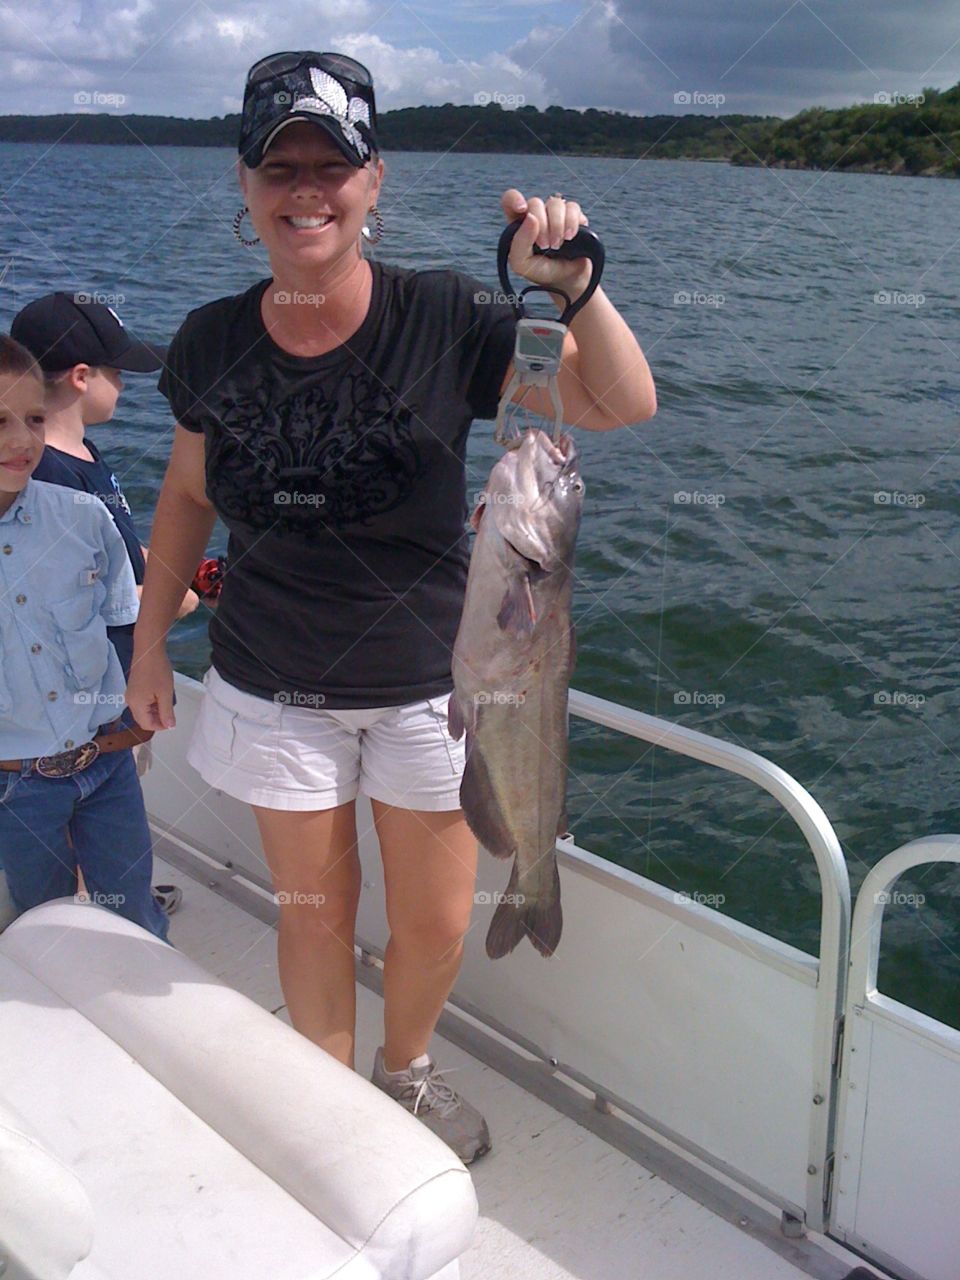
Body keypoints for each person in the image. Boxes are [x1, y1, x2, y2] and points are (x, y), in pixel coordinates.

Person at [127, 49, 656, 1164]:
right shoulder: (210, 343)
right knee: (313, 915)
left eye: (335, 162)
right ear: (244, 184)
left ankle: (404, 1067)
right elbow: (182, 496)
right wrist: (147, 645)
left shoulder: (450, 318)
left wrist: (575, 286)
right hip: (274, 681)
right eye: (281, 165)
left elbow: (619, 402)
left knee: (432, 919)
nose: (306, 187)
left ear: (377, 182)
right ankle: (324, 1115)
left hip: (438, 686)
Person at [10, 292, 198, 916]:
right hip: (55, 732)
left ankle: (114, 902)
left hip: (106, 716)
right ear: (82, 377)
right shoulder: (44, 476)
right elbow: (72, 606)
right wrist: (172, 599)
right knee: (54, 871)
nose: (125, 384)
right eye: (118, 372)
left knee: (106, 828)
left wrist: (168, 570)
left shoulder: (86, 466)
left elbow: (109, 554)